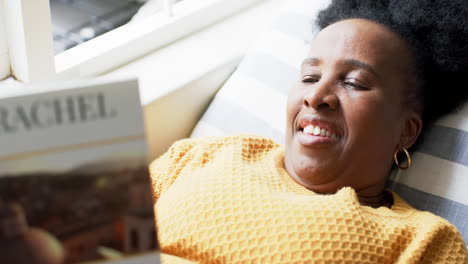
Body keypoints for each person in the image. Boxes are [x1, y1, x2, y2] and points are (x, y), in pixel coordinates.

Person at [150, 0, 468, 263]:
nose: (315, 97)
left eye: (354, 83)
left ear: (407, 131)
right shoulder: (206, 154)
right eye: (310, 77)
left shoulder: (423, 242)